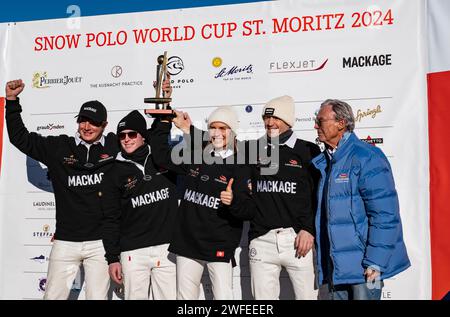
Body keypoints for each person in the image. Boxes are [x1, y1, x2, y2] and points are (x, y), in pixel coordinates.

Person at [5, 79, 118, 299]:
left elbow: (143, 139)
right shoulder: (59, 147)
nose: (86, 127)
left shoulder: (115, 145)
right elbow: (20, 138)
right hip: (66, 240)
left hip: (100, 244)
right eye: (82, 121)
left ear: (104, 125)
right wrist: (12, 101)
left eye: (93, 122)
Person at [150, 106, 254, 300]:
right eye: (213, 127)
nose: (217, 133)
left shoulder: (242, 164)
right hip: (188, 243)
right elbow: (161, 157)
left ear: (232, 131)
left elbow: (249, 210)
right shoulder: (196, 155)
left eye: (223, 128)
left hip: (219, 244)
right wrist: (164, 122)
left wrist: (233, 202)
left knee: (224, 299)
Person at [312, 99, 410, 300]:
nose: (315, 126)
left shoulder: (367, 157)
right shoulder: (325, 162)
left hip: (367, 270)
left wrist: (376, 262)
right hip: (337, 270)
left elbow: (385, 215)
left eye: (320, 121)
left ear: (341, 123)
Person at [246, 95, 321, 300]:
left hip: (298, 239)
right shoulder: (252, 149)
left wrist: (308, 229)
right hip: (262, 239)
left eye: (276, 118)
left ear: (288, 120)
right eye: (266, 118)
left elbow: (318, 195)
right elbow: (218, 147)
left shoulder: (308, 150)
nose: (270, 123)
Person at [101, 110, 178, 300]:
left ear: (143, 136)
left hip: (167, 248)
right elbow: (110, 219)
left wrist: (164, 100)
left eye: (131, 134)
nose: (126, 139)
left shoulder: (162, 157)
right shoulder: (113, 172)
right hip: (133, 252)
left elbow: (162, 124)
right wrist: (112, 259)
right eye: (122, 136)